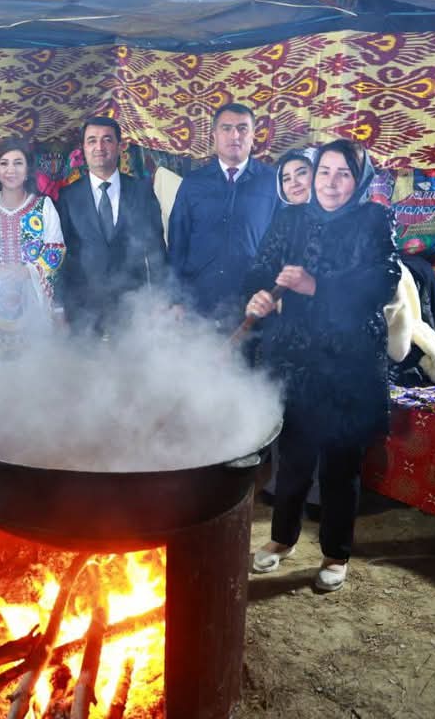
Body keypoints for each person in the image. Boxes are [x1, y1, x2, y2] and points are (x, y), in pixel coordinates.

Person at [244, 139, 400, 592]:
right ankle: (282, 539)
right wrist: (260, 294)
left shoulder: (373, 219)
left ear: (359, 180)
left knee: (339, 466)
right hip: (296, 357)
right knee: (292, 459)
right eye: (325, 172)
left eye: (343, 174)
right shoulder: (291, 217)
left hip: (348, 362)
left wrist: (317, 286)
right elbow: (262, 267)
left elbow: (384, 280)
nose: (331, 183)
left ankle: (335, 553)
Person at [55, 116, 168, 336]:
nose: (99, 147)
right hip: (81, 310)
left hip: (133, 308)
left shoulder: (141, 191)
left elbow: (156, 250)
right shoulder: (68, 196)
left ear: (120, 146)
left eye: (107, 140)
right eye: (92, 140)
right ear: (83, 148)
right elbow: (60, 257)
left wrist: (161, 300)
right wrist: (58, 308)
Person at [167, 103, 278, 325]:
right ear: (215, 135)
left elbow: (284, 243)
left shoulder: (273, 182)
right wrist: (175, 299)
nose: (234, 135)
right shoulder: (193, 183)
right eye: (226, 128)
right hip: (198, 302)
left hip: (253, 302)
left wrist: (275, 295)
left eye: (242, 128)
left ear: (253, 136)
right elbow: (177, 243)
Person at [0, 140, 65, 360]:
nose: (11, 170)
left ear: (27, 171)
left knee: (33, 367)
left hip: (32, 305)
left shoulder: (44, 206)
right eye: (4, 163)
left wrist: (28, 271)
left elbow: (55, 251)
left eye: (18, 163)